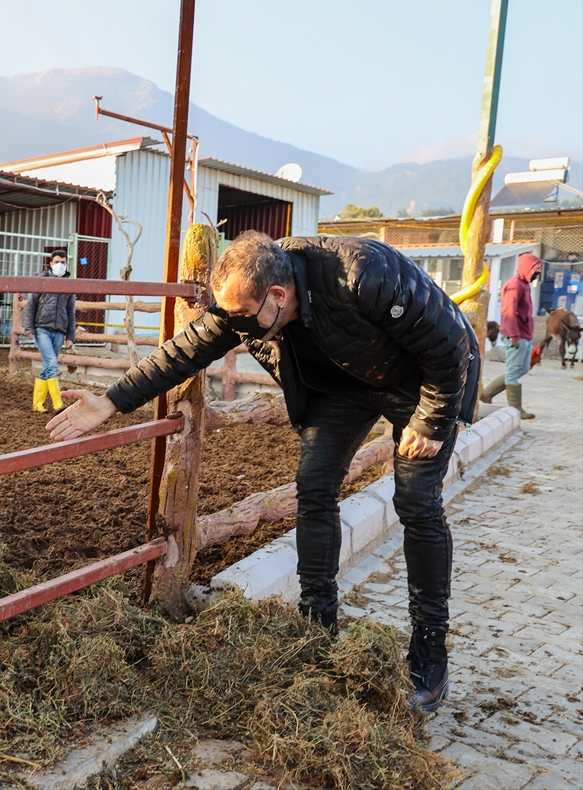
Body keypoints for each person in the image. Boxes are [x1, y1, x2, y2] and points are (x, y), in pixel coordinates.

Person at [47, 231, 480, 713]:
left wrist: (433, 420)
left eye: (243, 318)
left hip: (421, 383)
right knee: (314, 489)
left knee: (416, 502)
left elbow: (450, 344)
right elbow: (184, 350)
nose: (236, 328)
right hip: (341, 389)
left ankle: (429, 652)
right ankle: (318, 630)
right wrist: (109, 401)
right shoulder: (245, 305)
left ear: (278, 295)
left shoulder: (363, 274)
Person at [480, 252, 542, 419]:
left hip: (525, 335)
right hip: (516, 336)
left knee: (523, 369)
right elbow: (509, 312)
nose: (538, 273)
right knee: (514, 372)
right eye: (536, 269)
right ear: (527, 268)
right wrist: (514, 336)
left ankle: (487, 393)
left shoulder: (524, 284)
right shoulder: (514, 285)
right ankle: (516, 409)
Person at [23, 250, 76, 413]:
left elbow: (70, 311)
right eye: (57, 262)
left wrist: (70, 336)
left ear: (67, 264)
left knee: (48, 365)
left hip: (59, 330)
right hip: (42, 328)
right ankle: (58, 404)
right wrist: (29, 328)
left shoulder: (69, 285)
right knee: (52, 363)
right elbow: (31, 305)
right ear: (50, 263)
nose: (60, 265)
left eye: (63, 262)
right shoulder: (42, 281)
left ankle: (37, 403)